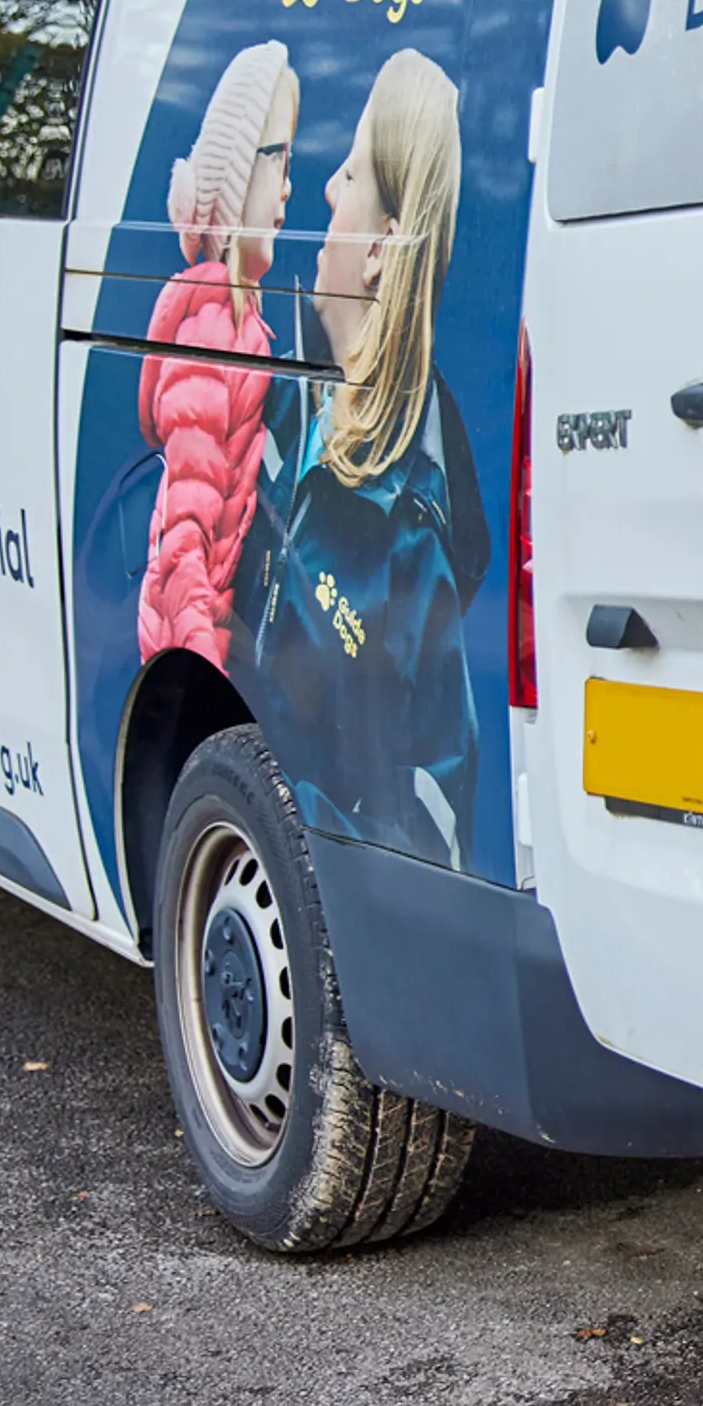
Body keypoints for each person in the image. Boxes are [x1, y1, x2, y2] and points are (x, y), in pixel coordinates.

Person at [240, 47, 486, 871]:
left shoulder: (412, 525)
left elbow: (433, 826)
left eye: (346, 177)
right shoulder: (287, 392)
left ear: (381, 247)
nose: (323, 193)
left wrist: (289, 819)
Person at [138, 40, 296, 667]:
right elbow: (184, 541)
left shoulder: (241, 323)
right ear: (237, 181)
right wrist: (206, 668)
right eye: (278, 162)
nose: (289, 190)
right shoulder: (211, 333)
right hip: (191, 639)